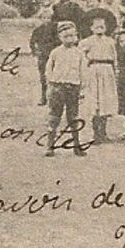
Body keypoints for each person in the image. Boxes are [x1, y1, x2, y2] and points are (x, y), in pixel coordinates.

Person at [44, 21, 88, 157]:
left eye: (71, 36)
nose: (69, 39)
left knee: (73, 118)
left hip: (73, 88)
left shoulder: (79, 53)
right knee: (54, 117)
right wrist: (51, 85)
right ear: (60, 37)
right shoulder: (55, 52)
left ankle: (76, 146)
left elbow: (83, 72)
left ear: (76, 37)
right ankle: (50, 146)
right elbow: (48, 70)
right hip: (58, 87)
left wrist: (82, 89)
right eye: (65, 36)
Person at [81, 14, 120, 143]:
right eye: (96, 26)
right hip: (94, 70)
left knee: (105, 101)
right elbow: (81, 56)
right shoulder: (87, 42)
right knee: (95, 101)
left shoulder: (110, 41)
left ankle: (103, 132)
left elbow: (115, 58)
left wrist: (116, 71)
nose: (99, 29)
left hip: (107, 70)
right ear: (91, 28)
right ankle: (95, 133)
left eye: (102, 26)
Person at [28, 9, 58, 106]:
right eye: (44, 18)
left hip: (53, 55)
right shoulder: (38, 30)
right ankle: (43, 97)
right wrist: (35, 51)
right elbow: (32, 42)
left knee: (55, 76)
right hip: (42, 55)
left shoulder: (55, 29)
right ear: (41, 19)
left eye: (48, 18)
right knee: (43, 77)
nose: (46, 20)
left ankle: (54, 98)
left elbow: (58, 42)